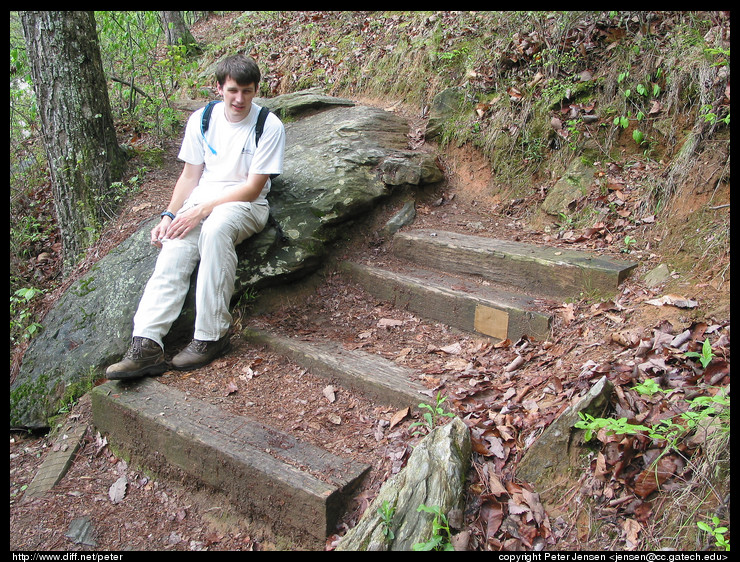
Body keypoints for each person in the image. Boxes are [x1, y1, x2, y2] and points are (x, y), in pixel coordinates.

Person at [106, 54, 285, 379]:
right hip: (202, 200)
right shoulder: (201, 120)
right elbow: (190, 176)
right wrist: (170, 215)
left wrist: (203, 210)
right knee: (174, 243)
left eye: (246, 91)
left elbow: (252, 188)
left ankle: (212, 335)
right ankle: (146, 343)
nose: (239, 99)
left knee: (215, 230)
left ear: (256, 89)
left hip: (245, 204)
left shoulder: (268, 125)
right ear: (218, 88)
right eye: (232, 90)